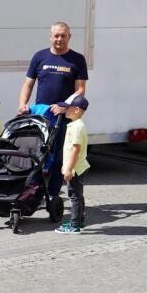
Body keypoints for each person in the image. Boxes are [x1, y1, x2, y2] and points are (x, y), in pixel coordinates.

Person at [17, 21, 88, 197]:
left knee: (58, 157)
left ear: (69, 37)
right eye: (56, 35)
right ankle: (32, 191)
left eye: (63, 35)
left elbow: (80, 90)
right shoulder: (39, 56)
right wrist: (22, 104)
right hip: (40, 116)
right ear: (50, 37)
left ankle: (53, 194)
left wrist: (64, 106)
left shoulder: (77, 59)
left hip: (64, 116)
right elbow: (28, 84)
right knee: (36, 154)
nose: (59, 39)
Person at [56, 94, 91, 234]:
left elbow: (75, 150)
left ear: (76, 110)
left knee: (74, 196)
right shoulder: (77, 125)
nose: (65, 110)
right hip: (80, 166)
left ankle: (74, 225)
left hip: (76, 168)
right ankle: (80, 220)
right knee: (78, 195)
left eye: (67, 108)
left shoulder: (77, 127)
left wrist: (69, 169)